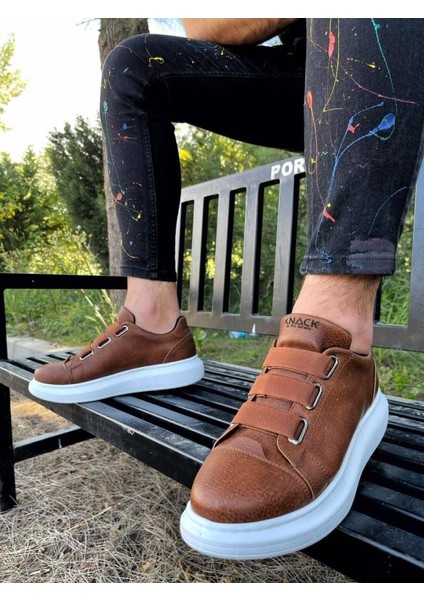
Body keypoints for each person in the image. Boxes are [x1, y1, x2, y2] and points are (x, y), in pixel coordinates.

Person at [28, 19, 424, 559]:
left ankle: (340, 339)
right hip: (312, 67)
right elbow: (209, 24)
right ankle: (151, 324)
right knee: (133, 67)